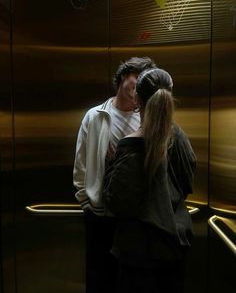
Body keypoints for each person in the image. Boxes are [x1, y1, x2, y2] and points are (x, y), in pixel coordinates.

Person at [103, 68, 197, 293]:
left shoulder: (131, 146)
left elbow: (117, 202)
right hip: (175, 246)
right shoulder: (180, 139)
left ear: (137, 100)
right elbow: (187, 182)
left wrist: (112, 165)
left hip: (139, 255)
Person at [73, 57, 156, 293]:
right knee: (99, 279)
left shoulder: (148, 120)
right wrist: (86, 202)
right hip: (100, 215)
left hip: (135, 218)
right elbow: (81, 162)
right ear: (123, 76)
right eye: (136, 77)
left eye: (144, 81)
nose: (138, 85)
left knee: (130, 282)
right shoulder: (96, 116)